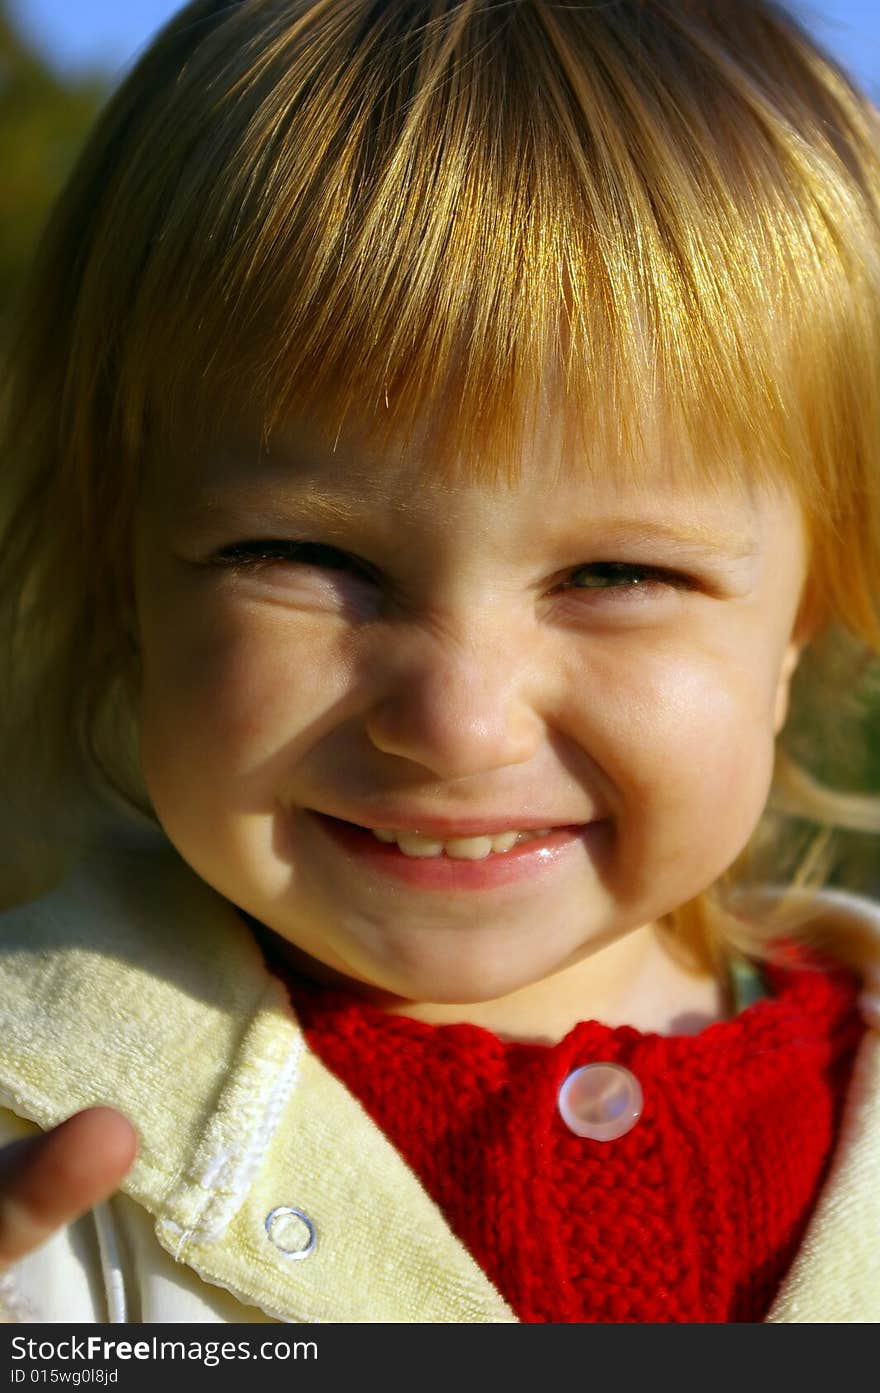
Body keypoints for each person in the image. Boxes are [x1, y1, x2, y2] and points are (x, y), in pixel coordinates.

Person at [1, 0, 879, 1324]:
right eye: (308, 555)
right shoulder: (36, 1140)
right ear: (122, 567)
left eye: (614, 575)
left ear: (806, 612)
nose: (459, 724)